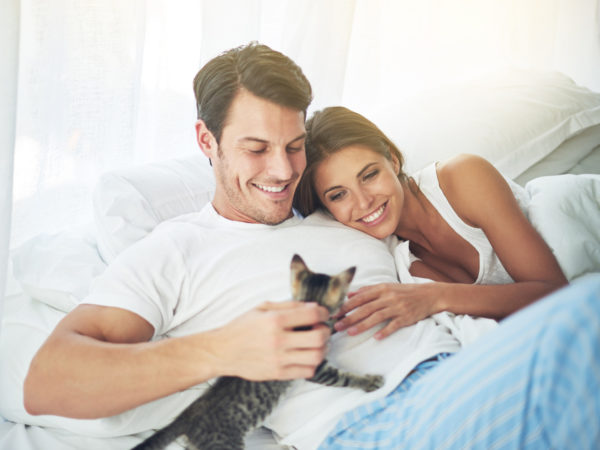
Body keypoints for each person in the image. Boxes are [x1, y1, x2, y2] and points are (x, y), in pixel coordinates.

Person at [22, 44, 600, 450]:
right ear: (206, 140)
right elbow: (47, 381)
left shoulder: (342, 210)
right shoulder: (175, 249)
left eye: (295, 146)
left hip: (466, 365)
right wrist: (223, 351)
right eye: (255, 148)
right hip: (379, 421)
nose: (281, 172)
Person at [294, 106, 568, 340]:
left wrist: (436, 296)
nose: (364, 202)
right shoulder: (398, 262)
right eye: (339, 195)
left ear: (392, 158)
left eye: (369, 175)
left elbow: (555, 291)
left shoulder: (463, 178)